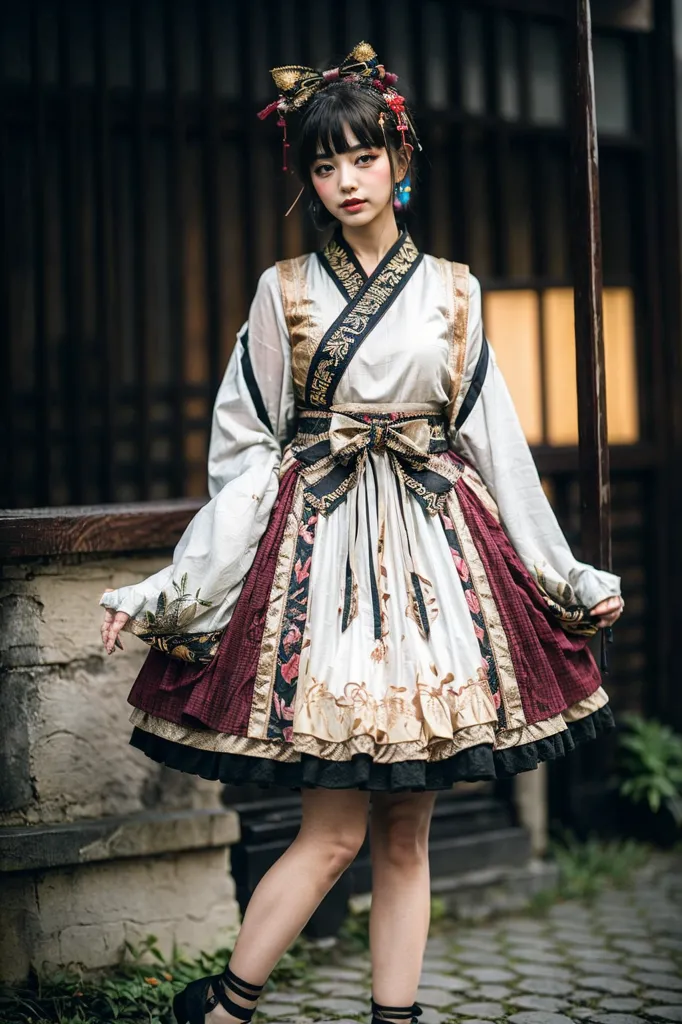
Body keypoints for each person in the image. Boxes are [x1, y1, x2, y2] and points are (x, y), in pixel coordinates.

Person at [100, 42, 623, 1024]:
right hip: (323, 566)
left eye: (362, 157)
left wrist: (562, 571)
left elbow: (497, 445)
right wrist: (168, 586)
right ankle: (225, 1008)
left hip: (437, 569)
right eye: (324, 163)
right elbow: (243, 449)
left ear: (399, 157)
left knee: (406, 836)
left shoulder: (456, 293)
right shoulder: (281, 292)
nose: (345, 180)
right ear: (305, 177)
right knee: (332, 830)